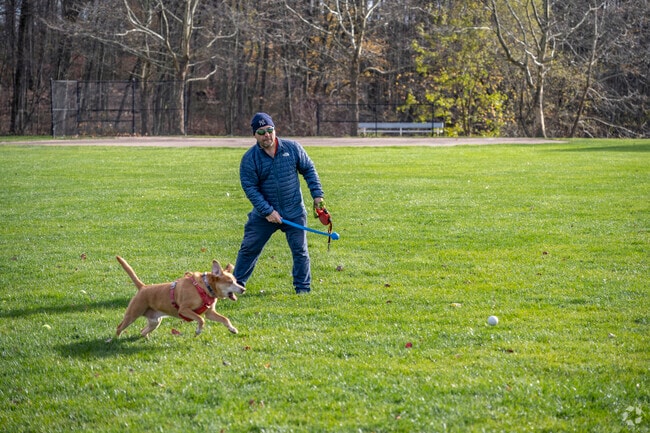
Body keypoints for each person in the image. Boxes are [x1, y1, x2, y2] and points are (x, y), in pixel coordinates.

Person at [234, 112, 325, 294]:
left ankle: (303, 289)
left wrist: (317, 196)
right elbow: (250, 188)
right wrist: (268, 211)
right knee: (249, 248)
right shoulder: (250, 159)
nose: (266, 135)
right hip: (264, 216)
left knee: (300, 251)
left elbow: (309, 170)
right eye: (261, 132)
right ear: (254, 135)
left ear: (274, 130)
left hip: (294, 211)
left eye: (269, 130)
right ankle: (235, 286)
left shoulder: (292, 148)